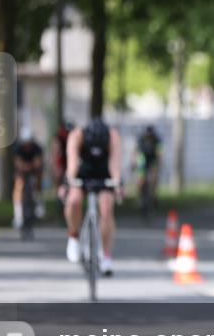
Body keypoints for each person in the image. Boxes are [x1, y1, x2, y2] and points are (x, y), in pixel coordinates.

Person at [64, 117, 122, 276]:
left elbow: (115, 164)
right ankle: (74, 236)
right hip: (83, 173)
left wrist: (116, 184)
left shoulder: (113, 136)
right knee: (74, 200)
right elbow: (72, 163)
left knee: (107, 207)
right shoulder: (77, 135)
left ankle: (107, 256)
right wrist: (69, 182)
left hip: (104, 174)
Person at [12, 127, 45, 228]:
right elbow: (17, 162)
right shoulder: (18, 148)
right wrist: (24, 167)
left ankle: (39, 201)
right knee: (18, 185)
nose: (28, 146)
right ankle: (18, 215)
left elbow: (38, 163)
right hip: (22, 170)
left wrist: (32, 166)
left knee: (38, 179)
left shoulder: (37, 148)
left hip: (34, 170)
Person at [135, 125, 162, 201]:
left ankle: (154, 194)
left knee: (154, 177)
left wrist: (159, 163)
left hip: (152, 159)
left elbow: (160, 153)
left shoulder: (157, 140)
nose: (149, 137)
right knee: (141, 179)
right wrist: (133, 161)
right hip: (142, 158)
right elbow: (136, 151)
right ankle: (140, 198)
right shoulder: (141, 139)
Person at [50, 120, 74, 206]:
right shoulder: (58, 138)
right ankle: (60, 200)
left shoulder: (74, 136)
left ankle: (69, 198)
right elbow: (55, 153)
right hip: (62, 160)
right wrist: (55, 167)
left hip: (70, 160)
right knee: (59, 179)